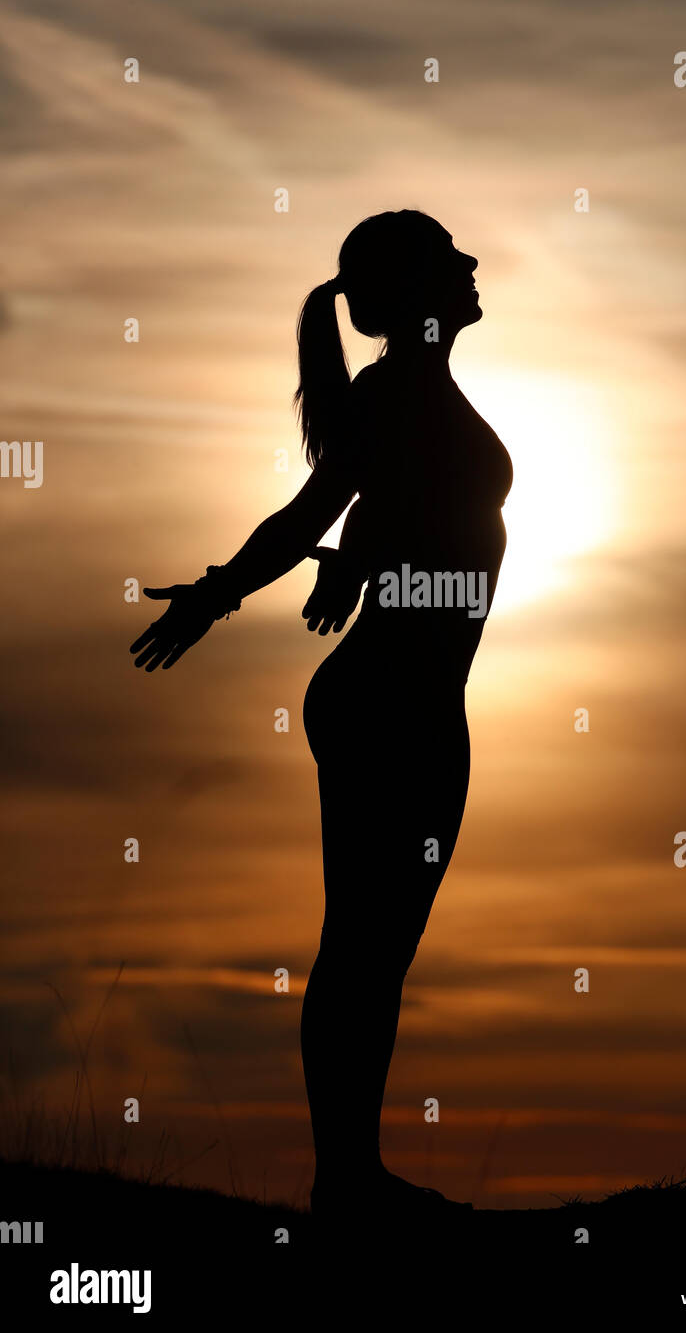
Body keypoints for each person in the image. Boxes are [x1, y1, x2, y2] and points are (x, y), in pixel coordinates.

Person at [130, 210, 513, 1217]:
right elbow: (309, 514)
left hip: (423, 699)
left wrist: (365, 553)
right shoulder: (393, 396)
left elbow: (398, 515)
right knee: (360, 942)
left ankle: (354, 1171)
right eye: (450, 257)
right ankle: (344, 1179)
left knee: (380, 947)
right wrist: (220, 592)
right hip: (387, 698)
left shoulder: (414, 396)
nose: (473, 264)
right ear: (418, 290)